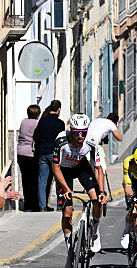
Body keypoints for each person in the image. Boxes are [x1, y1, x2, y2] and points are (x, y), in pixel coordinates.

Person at [52, 114, 109, 259]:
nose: (80, 136)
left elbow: (98, 168)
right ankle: (70, 250)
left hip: (81, 167)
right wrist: (66, 189)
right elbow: (55, 167)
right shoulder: (61, 140)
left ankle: (95, 231)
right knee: (67, 213)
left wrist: (102, 191)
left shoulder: (91, 141)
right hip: (64, 172)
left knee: (97, 199)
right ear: (71, 131)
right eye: (77, 133)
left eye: (83, 133)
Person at [33, 101, 65, 212]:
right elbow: (62, 140)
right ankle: (60, 205)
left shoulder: (42, 121)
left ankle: (42, 206)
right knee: (59, 180)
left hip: (43, 153)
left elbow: (37, 137)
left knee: (42, 180)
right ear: (59, 109)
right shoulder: (60, 124)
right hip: (55, 154)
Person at [16, 105, 40, 211]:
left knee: (25, 180)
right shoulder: (36, 123)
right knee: (34, 181)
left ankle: (27, 204)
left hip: (21, 153)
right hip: (31, 154)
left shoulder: (23, 122)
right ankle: (34, 205)